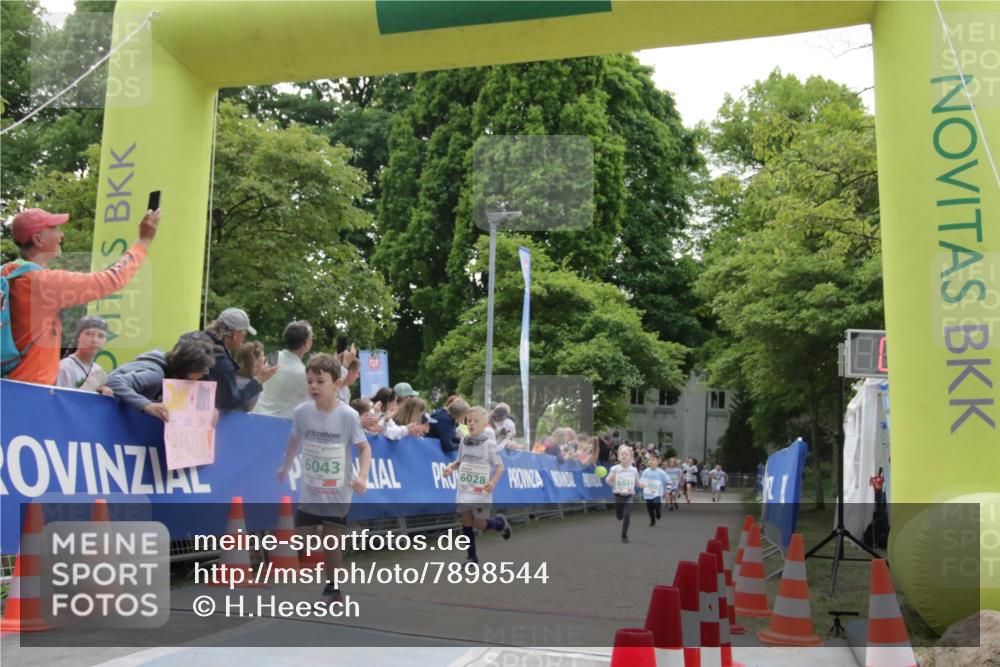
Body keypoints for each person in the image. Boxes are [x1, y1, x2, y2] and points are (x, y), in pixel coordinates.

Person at [2, 207, 160, 384]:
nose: (61, 235)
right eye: (54, 229)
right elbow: (111, 280)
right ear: (37, 239)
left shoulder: (7, 274)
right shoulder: (42, 281)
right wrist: (143, 241)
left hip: (8, 384)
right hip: (32, 388)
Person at [276, 353, 371, 602]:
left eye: (320, 381)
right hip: (311, 489)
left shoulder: (348, 415)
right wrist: (285, 467)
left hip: (338, 490)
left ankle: (333, 589)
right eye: (309, 382)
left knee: (330, 541)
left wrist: (361, 476)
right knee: (303, 540)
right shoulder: (302, 412)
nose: (313, 387)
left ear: (337, 384)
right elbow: (294, 440)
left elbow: (364, 448)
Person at [442, 406, 511, 565]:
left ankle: (499, 524)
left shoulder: (489, 444)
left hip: (481, 490)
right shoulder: (464, 442)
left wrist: (492, 482)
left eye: (476, 421)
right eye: (469, 420)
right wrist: (449, 468)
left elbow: (500, 467)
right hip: (465, 488)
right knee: (466, 520)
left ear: (485, 423)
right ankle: (471, 557)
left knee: (479, 523)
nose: (471, 424)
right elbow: (459, 462)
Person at [180, 308, 277, 412]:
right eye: (244, 335)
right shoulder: (221, 360)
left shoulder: (189, 338)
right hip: (196, 417)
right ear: (235, 335)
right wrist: (259, 380)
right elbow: (229, 402)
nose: (244, 340)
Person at [104, 340, 216, 421]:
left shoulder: (172, 375)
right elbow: (113, 382)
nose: (203, 374)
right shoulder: (155, 374)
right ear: (188, 369)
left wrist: (208, 409)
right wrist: (146, 405)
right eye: (203, 370)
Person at [253, 320, 312, 419]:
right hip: (279, 424)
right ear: (306, 343)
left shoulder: (273, 356)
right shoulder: (301, 373)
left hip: (259, 414)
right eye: (311, 338)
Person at [56, 315, 112, 394]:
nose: (94, 340)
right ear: (78, 337)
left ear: (106, 342)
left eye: (100, 336)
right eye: (88, 334)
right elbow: (59, 400)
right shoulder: (64, 367)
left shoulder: (99, 371)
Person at [606, 444, 639, 543]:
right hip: (618, 496)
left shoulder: (634, 470)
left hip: (629, 496)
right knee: (619, 516)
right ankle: (619, 515)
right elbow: (608, 481)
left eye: (626, 454)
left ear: (630, 457)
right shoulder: (614, 469)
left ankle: (624, 535)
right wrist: (611, 480)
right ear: (619, 457)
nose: (624, 456)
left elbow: (637, 482)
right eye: (622, 454)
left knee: (627, 515)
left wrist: (643, 485)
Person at [234, 341, 264, 412]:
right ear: (255, 361)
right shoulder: (251, 385)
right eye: (262, 356)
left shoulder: (232, 378)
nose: (264, 359)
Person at [640, 453, 669, 527]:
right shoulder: (646, 471)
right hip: (648, 493)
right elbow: (642, 481)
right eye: (649, 460)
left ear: (658, 461)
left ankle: (658, 511)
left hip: (658, 493)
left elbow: (668, 481)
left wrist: (667, 491)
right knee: (650, 508)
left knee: (656, 503)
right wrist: (642, 485)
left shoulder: (661, 472)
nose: (651, 461)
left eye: (653, 460)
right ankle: (652, 520)